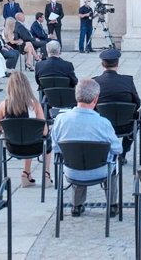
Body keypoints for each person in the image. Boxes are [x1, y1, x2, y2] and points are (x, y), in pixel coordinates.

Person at [51, 78, 122, 217]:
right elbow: (117, 149)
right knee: (113, 163)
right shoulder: (103, 123)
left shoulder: (60, 120)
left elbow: (56, 147)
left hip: (71, 171)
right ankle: (112, 205)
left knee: (75, 156)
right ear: (96, 99)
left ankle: (76, 205)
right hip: (100, 171)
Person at [0, 72, 52, 187]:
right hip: (35, 147)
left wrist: (5, 128)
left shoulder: (4, 105)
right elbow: (44, 131)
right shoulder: (34, 104)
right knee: (46, 140)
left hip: (13, 147)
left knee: (25, 136)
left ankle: (26, 173)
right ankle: (46, 174)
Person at [92, 48, 141, 165]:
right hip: (126, 126)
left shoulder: (95, 82)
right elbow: (137, 103)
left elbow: (92, 106)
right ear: (118, 63)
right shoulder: (127, 80)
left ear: (102, 64)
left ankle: (105, 153)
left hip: (103, 126)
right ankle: (122, 154)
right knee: (136, 116)